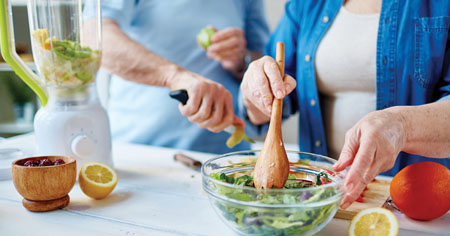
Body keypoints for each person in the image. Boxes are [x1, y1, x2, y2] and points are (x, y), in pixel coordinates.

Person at [239, 0, 450, 207]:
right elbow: (268, 106)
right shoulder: (306, 4)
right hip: (319, 203)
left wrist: (402, 125)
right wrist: (255, 93)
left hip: (419, 205)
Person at [98, 1, 269, 154]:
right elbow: (97, 37)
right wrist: (172, 76)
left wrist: (241, 60)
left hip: (224, 155)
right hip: (141, 149)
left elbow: (264, 62)